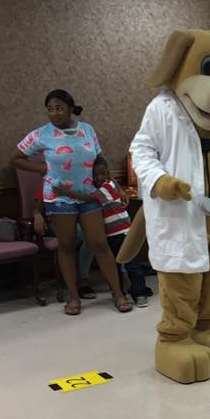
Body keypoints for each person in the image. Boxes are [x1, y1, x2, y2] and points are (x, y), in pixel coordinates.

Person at [12, 89, 132, 316]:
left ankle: (118, 294)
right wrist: (43, 168)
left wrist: (117, 188)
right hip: (59, 199)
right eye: (49, 109)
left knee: (99, 243)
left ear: (70, 108)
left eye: (59, 108)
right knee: (66, 246)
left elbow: (99, 164)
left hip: (89, 195)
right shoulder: (41, 134)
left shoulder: (87, 130)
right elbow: (16, 158)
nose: (54, 113)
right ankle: (73, 297)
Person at [57, 157, 152, 307]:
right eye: (95, 175)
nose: (99, 178)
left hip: (124, 233)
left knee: (132, 265)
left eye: (102, 174)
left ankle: (139, 293)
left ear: (107, 174)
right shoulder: (103, 186)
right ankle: (120, 292)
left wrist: (67, 193)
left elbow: (88, 197)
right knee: (116, 266)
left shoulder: (108, 187)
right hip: (110, 236)